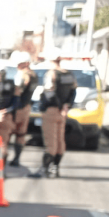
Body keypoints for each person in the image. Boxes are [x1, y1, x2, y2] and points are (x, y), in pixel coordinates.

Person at [31, 49, 76, 178]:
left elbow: (50, 94)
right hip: (63, 112)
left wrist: (55, 106)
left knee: (51, 142)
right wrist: (67, 106)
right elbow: (73, 92)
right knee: (60, 141)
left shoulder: (51, 74)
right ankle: (55, 168)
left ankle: (44, 169)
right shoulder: (69, 74)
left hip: (52, 110)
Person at [9, 51, 38, 167]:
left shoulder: (24, 75)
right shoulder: (34, 75)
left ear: (25, 63)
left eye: (19, 64)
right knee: (21, 134)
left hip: (18, 108)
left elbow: (18, 91)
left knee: (8, 132)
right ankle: (16, 158)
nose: (17, 66)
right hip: (26, 107)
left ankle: (10, 158)